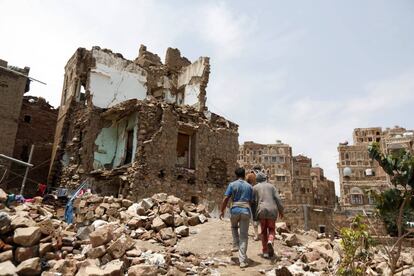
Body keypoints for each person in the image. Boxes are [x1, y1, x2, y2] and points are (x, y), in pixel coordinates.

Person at [220, 167, 253, 268]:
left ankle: (235, 244)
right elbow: (251, 201)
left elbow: (226, 198)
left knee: (234, 227)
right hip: (246, 211)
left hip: (234, 210)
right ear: (244, 175)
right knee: (244, 236)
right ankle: (242, 261)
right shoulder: (250, 186)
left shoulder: (232, 184)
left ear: (236, 175)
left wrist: (222, 210)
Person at [252, 172, 284, 259]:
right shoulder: (272, 186)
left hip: (261, 210)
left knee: (263, 231)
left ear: (257, 179)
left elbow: (253, 202)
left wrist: (254, 215)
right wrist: (281, 211)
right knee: (272, 229)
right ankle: (270, 240)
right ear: (265, 178)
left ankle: (265, 251)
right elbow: (278, 199)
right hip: (272, 210)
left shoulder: (254, 188)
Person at [246, 171, 260, 241]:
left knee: (253, 220)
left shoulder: (250, 187)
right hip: (257, 204)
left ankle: (256, 235)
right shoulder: (255, 187)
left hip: (252, 204)